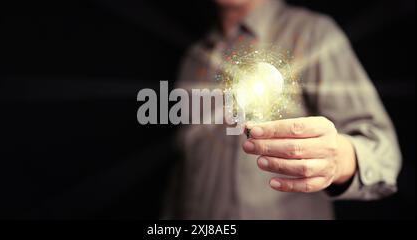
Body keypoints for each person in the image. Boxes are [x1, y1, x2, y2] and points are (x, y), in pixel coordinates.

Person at [162, 0, 401, 219]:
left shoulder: (313, 35)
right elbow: (183, 171)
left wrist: (339, 159)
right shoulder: (194, 59)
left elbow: (383, 153)